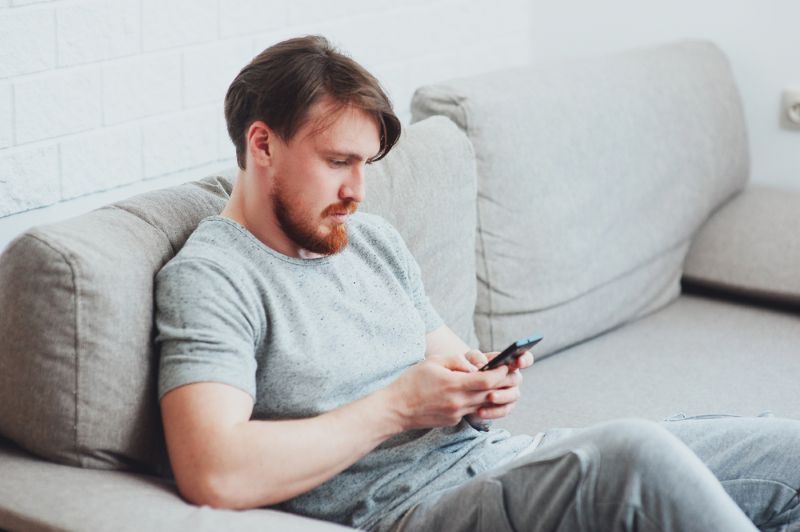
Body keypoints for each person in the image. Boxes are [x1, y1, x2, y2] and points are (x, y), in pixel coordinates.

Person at [154, 35, 800, 532]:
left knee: (789, 451)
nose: (357, 190)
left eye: (366, 164)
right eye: (337, 162)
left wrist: (480, 384)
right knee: (634, 454)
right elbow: (214, 470)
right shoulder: (213, 278)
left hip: (507, 461)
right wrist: (399, 407)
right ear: (262, 145)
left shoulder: (370, 238)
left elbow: (444, 352)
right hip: (417, 508)